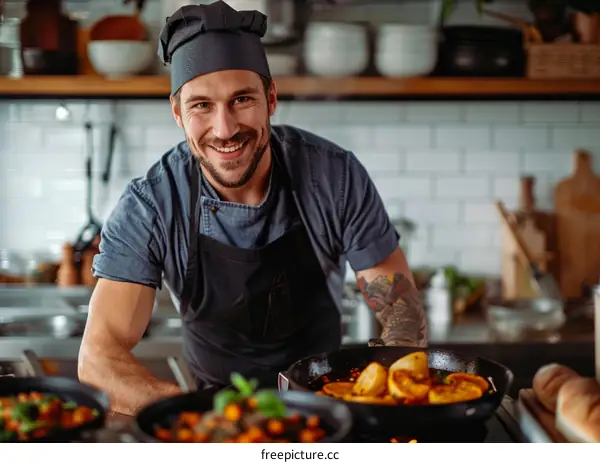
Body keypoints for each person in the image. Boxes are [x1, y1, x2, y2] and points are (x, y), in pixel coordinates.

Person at [77, 0, 428, 416]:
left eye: (241, 99)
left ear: (271, 98)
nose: (224, 129)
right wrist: (203, 417)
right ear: (177, 113)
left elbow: (400, 311)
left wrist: (386, 390)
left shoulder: (333, 177)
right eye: (201, 106)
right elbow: (98, 361)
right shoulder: (152, 205)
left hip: (326, 410)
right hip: (211, 414)